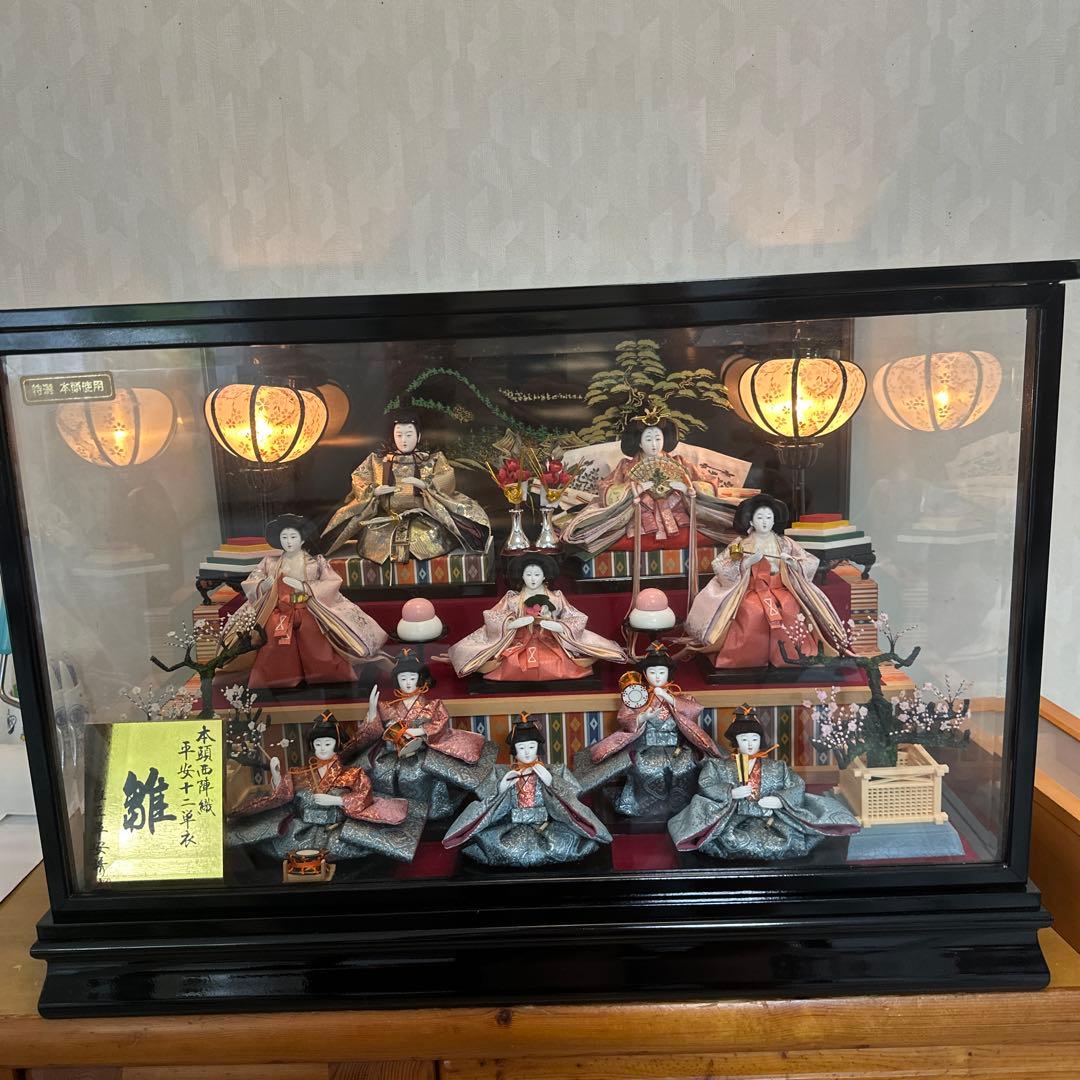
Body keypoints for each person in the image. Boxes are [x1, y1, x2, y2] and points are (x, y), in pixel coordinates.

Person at [227, 712, 425, 862]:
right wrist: (277, 775)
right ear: (312, 746)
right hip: (303, 829)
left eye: (327, 743)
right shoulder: (298, 773)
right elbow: (282, 797)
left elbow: (365, 796)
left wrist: (337, 800)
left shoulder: (352, 773)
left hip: (336, 829)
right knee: (277, 845)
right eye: (318, 744)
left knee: (348, 848)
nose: (322, 748)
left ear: (336, 745)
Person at [667, 705, 860, 860]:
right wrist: (730, 793)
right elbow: (707, 783)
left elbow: (796, 785)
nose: (750, 744)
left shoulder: (777, 767)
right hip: (734, 817)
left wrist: (780, 800)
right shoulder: (719, 766)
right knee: (729, 840)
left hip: (771, 817)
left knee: (781, 841)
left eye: (754, 739)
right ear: (736, 742)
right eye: (744, 739)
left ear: (761, 740)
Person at [684, 493, 849, 670]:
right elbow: (721, 565)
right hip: (751, 589)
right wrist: (746, 562)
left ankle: (794, 654)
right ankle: (747, 657)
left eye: (769, 518)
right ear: (751, 521)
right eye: (760, 518)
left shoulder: (785, 543)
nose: (764, 522)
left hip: (780, 588)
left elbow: (809, 561)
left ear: (774, 520)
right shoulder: (741, 543)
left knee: (789, 607)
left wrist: (793, 562)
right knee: (752, 611)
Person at [233, 514, 387, 689]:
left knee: (314, 637)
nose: (288, 542)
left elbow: (332, 581)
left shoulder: (316, 562)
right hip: (278, 609)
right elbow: (253, 579)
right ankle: (277, 677)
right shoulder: (270, 562)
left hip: (308, 607)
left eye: (293, 537)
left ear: (302, 539)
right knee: (273, 638)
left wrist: (305, 587)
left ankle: (324, 674)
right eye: (284, 537)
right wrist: (263, 585)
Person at [561, 413, 739, 556]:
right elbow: (606, 488)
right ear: (639, 442)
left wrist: (688, 489)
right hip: (639, 518)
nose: (654, 444)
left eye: (658, 438)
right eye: (648, 439)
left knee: (714, 532)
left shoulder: (679, 462)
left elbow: (708, 482)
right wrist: (633, 490)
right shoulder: (626, 466)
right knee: (604, 536)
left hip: (678, 516)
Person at [442, 717, 611, 868]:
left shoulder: (555, 770)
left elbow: (573, 796)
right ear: (514, 750)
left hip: (546, 824)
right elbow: (486, 799)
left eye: (531, 746)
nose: (527, 752)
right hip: (513, 825)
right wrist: (501, 787)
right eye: (521, 747)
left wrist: (550, 781)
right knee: (508, 850)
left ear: (538, 747)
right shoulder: (501, 772)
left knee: (561, 846)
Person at [574, 643, 721, 816]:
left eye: (661, 672)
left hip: (678, 747)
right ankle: (643, 809)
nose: (657, 677)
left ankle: (682, 810)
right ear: (645, 673)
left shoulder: (681, 697)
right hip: (646, 746)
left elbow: (694, 710)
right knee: (647, 768)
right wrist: (644, 717)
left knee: (684, 767)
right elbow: (624, 718)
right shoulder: (637, 697)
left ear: (669, 673)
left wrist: (668, 697)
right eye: (652, 672)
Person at [322, 413, 490, 563]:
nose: (404, 440)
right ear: (393, 436)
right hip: (385, 521)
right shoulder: (378, 461)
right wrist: (374, 490)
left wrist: (426, 485)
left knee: (428, 537)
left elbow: (447, 478)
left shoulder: (432, 460)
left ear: (418, 436)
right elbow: (359, 478)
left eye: (409, 435)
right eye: (399, 435)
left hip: (424, 522)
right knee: (374, 539)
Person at [351, 650, 498, 820]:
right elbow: (374, 730)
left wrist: (420, 731)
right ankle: (392, 814)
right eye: (403, 678)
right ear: (397, 681)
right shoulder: (387, 707)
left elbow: (440, 723)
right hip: (393, 752)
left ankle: (427, 813)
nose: (408, 682)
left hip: (422, 750)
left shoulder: (432, 705)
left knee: (417, 773)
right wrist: (371, 710)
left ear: (419, 679)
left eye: (412, 678)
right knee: (380, 770)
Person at [446, 553, 627, 682]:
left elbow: (575, 617)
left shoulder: (556, 597)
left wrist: (559, 626)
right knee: (509, 664)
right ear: (522, 576)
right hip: (519, 640)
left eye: (537, 574)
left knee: (561, 663)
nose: (533, 579)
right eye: (528, 574)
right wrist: (512, 623)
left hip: (550, 639)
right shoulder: (512, 598)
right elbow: (493, 615)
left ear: (544, 576)